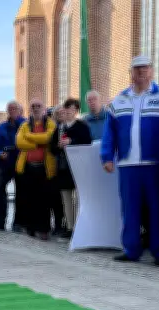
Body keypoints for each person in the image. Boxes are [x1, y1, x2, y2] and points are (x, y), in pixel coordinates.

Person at [101, 55, 159, 264]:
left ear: (151, 71)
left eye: (144, 68)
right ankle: (131, 249)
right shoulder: (119, 100)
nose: (141, 72)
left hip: (155, 165)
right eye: (136, 69)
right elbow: (110, 132)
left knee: (157, 209)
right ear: (130, 73)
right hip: (127, 165)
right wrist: (107, 156)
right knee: (129, 209)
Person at [50, 98, 92, 239]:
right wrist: (58, 146)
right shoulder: (60, 128)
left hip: (79, 166)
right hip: (63, 168)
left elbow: (87, 142)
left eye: (72, 109)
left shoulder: (82, 126)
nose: (69, 111)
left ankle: (81, 226)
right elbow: (52, 148)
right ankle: (70, 227)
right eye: (67, 108)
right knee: (66, 198)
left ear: (76, 111)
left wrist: (71, 142)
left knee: (80, 197)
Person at [16, 99, 57, 240]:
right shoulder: (25, 125)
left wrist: (29, 137)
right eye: (33, 106)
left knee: (44, 200)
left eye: (39, 106)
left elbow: (49, 138)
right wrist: (36, 144)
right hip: (28, 168)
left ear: (44, 108)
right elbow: (19, 142)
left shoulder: (50, 123)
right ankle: (30, 228)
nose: (36, 108)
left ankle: (44, 229)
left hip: (44, 168)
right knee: (29, 199)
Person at [0, 101, 25, 231]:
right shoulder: (2, 127)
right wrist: (0, 153)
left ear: (19, 110)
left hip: (20, 161)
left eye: (14, 108)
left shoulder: (25, 124)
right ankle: (0, 220)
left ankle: (18, 223)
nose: (12, 111)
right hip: (5, 161)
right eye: (9, 109)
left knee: (21, 192)